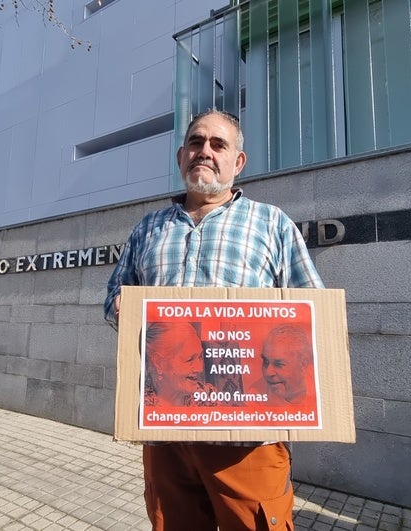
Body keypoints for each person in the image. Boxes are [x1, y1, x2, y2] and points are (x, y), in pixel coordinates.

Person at [104, 109, 324, 531]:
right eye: (196, 142)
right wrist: (124, 309)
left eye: (218, 144)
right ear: (180, 155)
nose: (204, 151)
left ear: (238, 162)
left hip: (246, 441)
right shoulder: (147, 229)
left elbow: (311, 311)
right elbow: (115, 294)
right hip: (166, 434)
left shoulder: (271, 223)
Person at [144, 321, 215, 407]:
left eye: (200, 357)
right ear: (159, 363)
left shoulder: (206, 396)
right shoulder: (141, 402)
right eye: (189, 359)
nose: (199, 368)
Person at [250, 324, 316, 405]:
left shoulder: (320, 384)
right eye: (266, 362)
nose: (268, 372)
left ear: (303, 364)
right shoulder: (255, 394)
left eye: (278, 364)